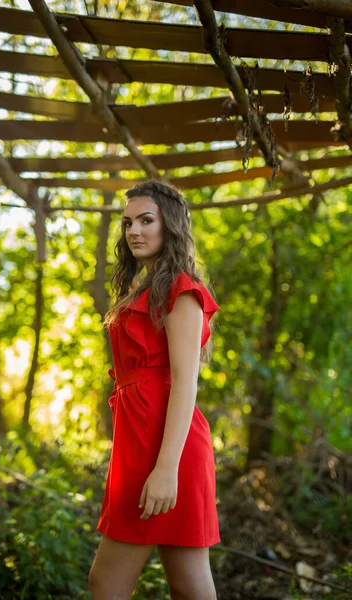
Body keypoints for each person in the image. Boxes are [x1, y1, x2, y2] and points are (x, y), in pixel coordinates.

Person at [88, 181, 221, 599]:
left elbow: (185, 382)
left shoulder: (181, 291)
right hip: (138, 442)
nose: (134, 231)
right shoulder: (142, 289)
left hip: (168, 448)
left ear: (172, 226)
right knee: (183, 586)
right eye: (128, 223)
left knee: (125, 583)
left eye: (147, 220)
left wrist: (166, 469)